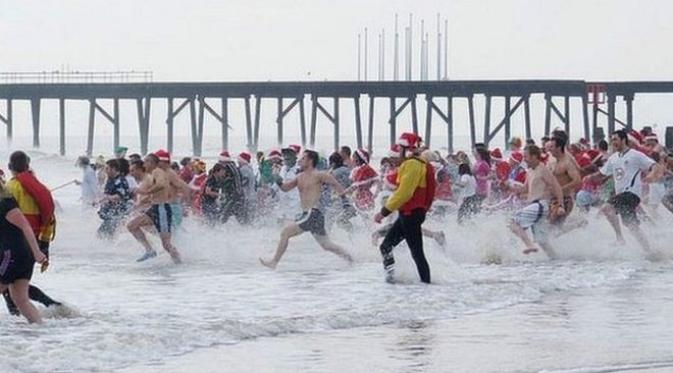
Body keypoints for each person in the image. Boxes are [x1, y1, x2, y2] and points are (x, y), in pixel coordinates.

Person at [259, 150, 353, 269]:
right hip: (308, 215)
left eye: (303, 158)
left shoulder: (320, 174)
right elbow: (285, 188)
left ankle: (274, 262)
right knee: (326, 245)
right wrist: (277, 178)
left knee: (285, 232)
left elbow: (336, 185)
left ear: (310, 160)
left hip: (313, 213)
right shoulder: (299, 177)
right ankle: (350, 258)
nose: (299, 160)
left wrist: (345, 202)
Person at [2, 151, 62, 316]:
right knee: (17, 289)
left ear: (10, 167)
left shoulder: (11, 187)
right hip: (34, 241)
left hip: (14, 243)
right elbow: (49, 217)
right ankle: (44, 313)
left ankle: (24, 314)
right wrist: (43, 246)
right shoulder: (38, 186)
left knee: (10, 286)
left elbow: (12, 220)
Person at [374, 132, 436, 284]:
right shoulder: (417, 164)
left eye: (400, 149)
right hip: (409, 213)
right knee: (386, 247)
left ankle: (426, 286)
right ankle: (391, 280)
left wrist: (384, 212)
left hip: (411, 213)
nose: (398, 153)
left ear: (406, 149)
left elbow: (404, 192)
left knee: (417, 253)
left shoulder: (413, 164)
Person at [585, 130, 658, 255]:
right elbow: (602, 173)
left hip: (631, 194)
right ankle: (649, 251)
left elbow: (654, 165)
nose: (613, 143)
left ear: (623, 140)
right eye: (612, 140)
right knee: (631, 226)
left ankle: (620, 238)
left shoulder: (635, 155)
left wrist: (651, 175)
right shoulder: (613, 158)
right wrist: (590, 177)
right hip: (622, 195)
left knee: (606, 208)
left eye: (615, 139)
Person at [0, 181, 49, 324]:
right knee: (21, 300)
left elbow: (25, 226)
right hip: (20, 256)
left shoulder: (5, 204)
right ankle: (41, 331)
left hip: (14, 255)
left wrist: (37, 252)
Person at [509, 145, 565, 258]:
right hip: (535, 206)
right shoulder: (529, 171)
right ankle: (557, 260)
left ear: (534, 156)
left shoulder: (543, 169)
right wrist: (510, 188)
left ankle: (529, 245)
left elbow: (557, 187)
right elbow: (525, 188)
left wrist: (560, 205)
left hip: (541, 205)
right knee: (542, 241)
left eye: (526, 156)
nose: (524, 159)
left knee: (513, 222)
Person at [127, 152, 182, 263]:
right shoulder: (153, 174)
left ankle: (179, 263)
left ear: (151, 162)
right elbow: (161, 189)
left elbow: (161, 184)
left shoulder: (157, 171)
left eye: (146, 161)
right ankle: (149, 250)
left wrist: (145, 191)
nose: (143, 164)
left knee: (166, 245)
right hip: (154, 208)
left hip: (162, 209)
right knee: (132, 226)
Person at [546, 135, 582, 229]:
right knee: (549, 226)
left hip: (565, 199)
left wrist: (561, 189)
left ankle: (576, 225)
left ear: (559, 147)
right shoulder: (551, 159)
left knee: (551, 226)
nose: (549, 149)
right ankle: (576, 225)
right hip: (551, 198)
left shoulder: (567, 162)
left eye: (552, 147)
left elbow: (577, 180)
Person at [97, 159, 132, 239]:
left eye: (107, 169)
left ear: (114, 169)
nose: (106, 171)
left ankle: (110, 250)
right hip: (110, 213)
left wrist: (107, 198)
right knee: (103, 235)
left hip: (117, 213)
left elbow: (119, 197)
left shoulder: (121, 181)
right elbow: (107, 194)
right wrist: (99, 201)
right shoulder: (110, 180)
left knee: (102, 235)